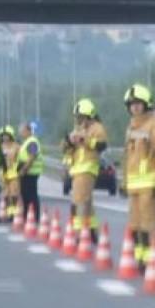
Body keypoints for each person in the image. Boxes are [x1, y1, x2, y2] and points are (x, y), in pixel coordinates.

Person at [122, 85, 155, 268]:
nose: (134, 107)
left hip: (150, 182)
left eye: (138, 104)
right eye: (131, 104)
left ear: (146, 104)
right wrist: (124, 179)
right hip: (134, 184)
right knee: (135, 225)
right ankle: (140, 257)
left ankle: (151, 259)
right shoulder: (131, 126)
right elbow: (128, 155)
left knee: (149, 224)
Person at [62, 98, 110, 245]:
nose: (79, 120)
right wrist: (69, 141)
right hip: (76, 169)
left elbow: (101, 145)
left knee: (78, 202)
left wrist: (85, 139)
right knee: (87, 203)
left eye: (81, 117)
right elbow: (64, 148)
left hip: (87, 168)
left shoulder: (97, 128)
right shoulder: (77, 130)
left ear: (89, 115)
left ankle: (78, 233)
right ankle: (91, 231)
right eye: (77, 117)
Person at [17, 122, 43, 225]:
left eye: (22, 131)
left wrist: (23, 170)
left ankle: (34, 216)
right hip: (27, 172)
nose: (21, 133)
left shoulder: (32, 142)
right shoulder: (27, 141)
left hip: (30, 173)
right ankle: (28, 215)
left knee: (31, 196)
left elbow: (32, 157)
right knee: (25, 196)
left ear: (28, 131)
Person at [0, 126, 21, 221]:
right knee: (6, 195)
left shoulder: (16, 146)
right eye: (3, 135)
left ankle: (13, 213)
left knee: (14, 194)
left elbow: (20, 159)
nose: (5, 137)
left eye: (7, 135)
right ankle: (8, 213)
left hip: (14, 173)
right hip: (3, 174)